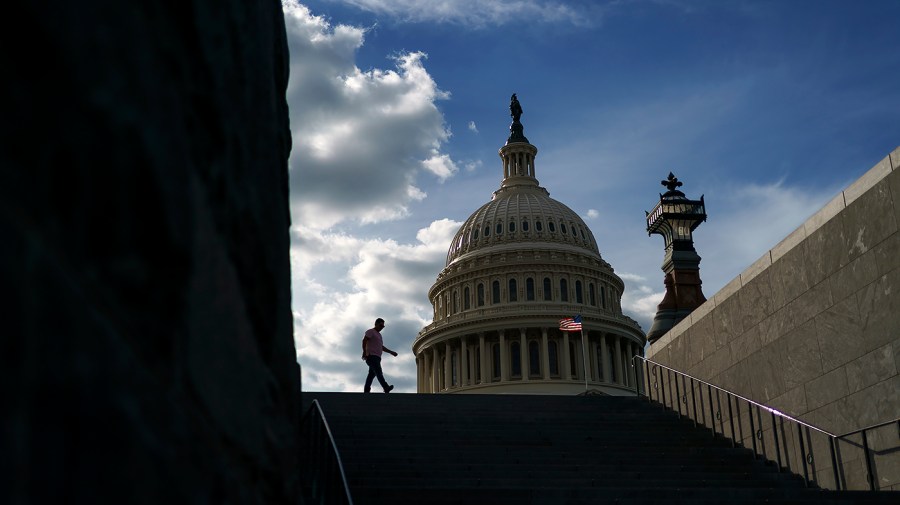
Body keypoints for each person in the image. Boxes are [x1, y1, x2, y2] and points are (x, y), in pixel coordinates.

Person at [361, 318, 398, 393]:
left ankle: (366, 390)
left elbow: (381, 347)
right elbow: (364, 340)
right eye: (381, 325)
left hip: (377, 357)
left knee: (371, 374)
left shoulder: (379, 335)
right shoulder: (370, 331)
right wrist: (364, 352)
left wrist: (391, 352)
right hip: (371, 356)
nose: (382, 327)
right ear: (376, 324)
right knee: (378, 372)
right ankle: (385, 387)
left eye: (383, 326)